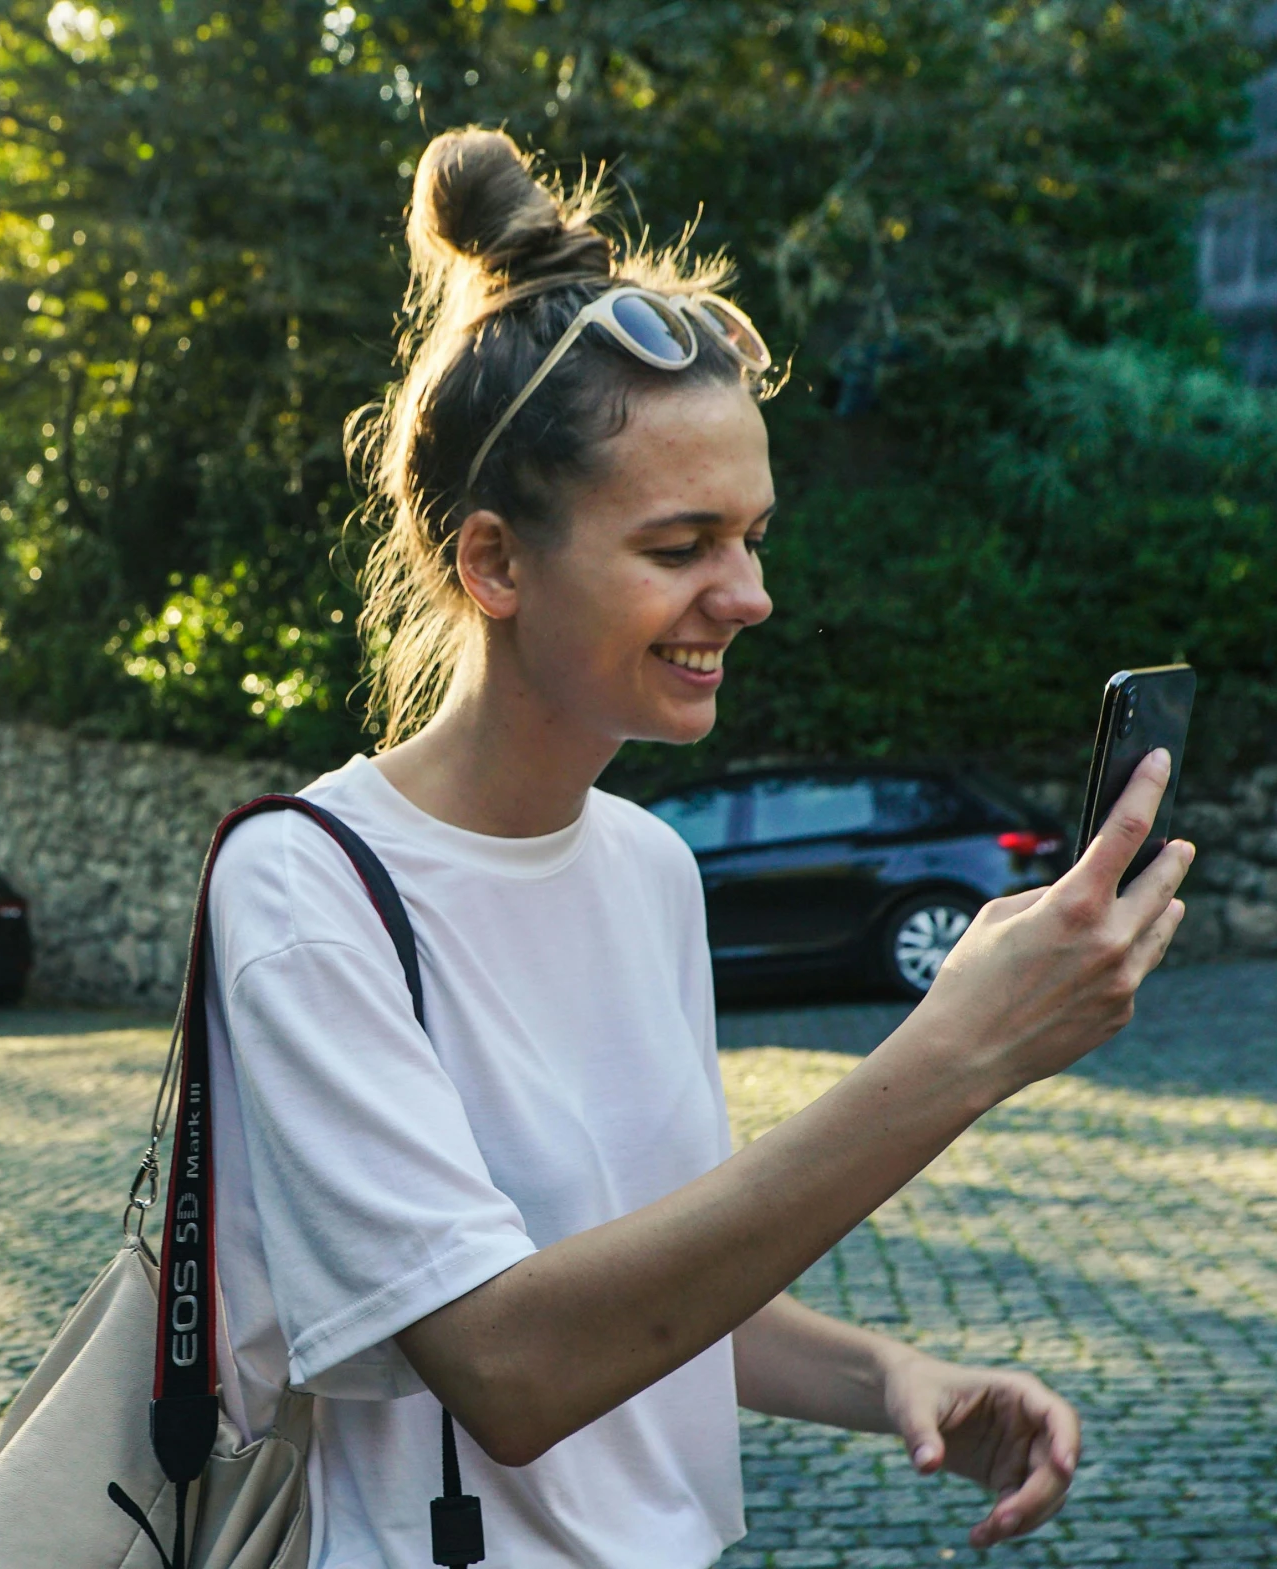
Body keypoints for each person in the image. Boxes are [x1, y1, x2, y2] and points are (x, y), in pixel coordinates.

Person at [202, 128, 1191, 1569]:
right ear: (491, 563)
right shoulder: (300, 887)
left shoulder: (651, 867)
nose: (750, 595)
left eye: (754, 535)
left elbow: (655, 1285)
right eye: (682, 546)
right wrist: (954, 1056)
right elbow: (508, 1361)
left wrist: (888, 1380)